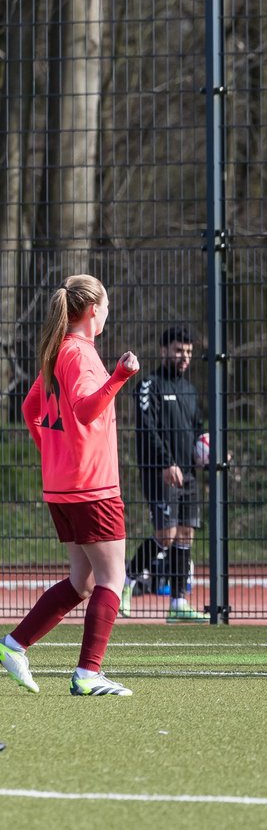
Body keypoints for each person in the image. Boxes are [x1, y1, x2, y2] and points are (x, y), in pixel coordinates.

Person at [1, 275, 139, 696]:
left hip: (63, 484)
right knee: (113, 577)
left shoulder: (56, 352)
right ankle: (87, 673)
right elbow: (82, 411)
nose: (109, 311)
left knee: (82, 582)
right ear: (94, 310)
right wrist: (118, 377)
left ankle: (14, 645)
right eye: (108, 304)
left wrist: (51, 451)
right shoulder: (81, 354)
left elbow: (30, 408)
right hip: (91, 485)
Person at [123, 326, 205, 622]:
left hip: (188, 475)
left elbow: (198, 430)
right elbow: (147, 429)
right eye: (178, 351)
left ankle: (178, 602)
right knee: (166, 535)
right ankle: (128, 581)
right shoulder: (149, 384)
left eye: (188, 352)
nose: (184, 357)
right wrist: (166, 463)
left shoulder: (190, 390)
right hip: (160, 473)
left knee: (186, 535)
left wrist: (209, 452)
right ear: (164, 351)